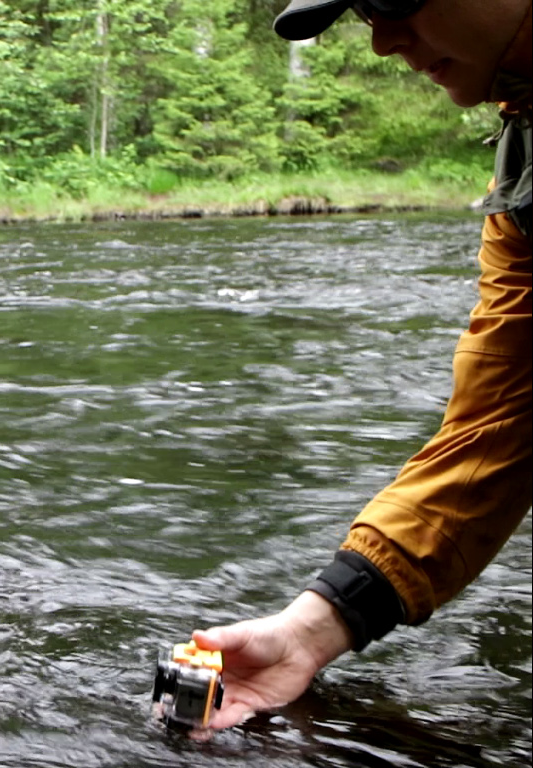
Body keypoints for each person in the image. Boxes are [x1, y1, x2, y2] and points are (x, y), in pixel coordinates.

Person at [192, 0, 530, 731]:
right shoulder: (526, 149)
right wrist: (312, 631)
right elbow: (500, 426)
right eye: (365, 14)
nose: (381, 42)